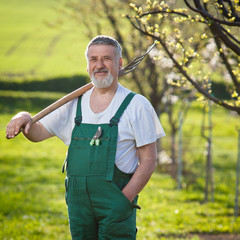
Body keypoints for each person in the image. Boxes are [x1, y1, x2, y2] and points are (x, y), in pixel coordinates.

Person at [6, 35, 165, 240]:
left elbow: (149, 160)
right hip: (78, 206)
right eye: (93, 59)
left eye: (107, 58)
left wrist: (123, 200)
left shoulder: (137, 105)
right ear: (87, 65)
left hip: (115, 203)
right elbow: (35, 133)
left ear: (119, 63)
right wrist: (23, 116)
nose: (99, 65)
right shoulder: (74, 104)